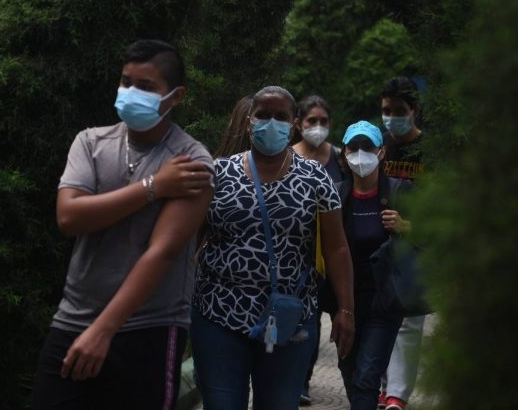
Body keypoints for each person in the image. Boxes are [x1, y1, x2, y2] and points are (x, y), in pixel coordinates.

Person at [32, 40, 214, 410]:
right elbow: (70, 217)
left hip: (150, 329)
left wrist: (105, 329)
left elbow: (161, 252)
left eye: (146, 87)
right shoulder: (91, 142)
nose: (131, 93)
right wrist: (154, 188)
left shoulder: (192, 161)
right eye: (126, 82)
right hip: (74, 318)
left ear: (176, 96)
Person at [191, 86, 355, 410]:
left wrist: (346, 309)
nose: (271, 123)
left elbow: (337, 249)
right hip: (217, 312)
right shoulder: (218, 173)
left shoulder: (316, 178)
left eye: (280, 116)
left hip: (289, 318)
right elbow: (191, 238)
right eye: (263, 115)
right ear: (249, 121)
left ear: (294, 123)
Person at [331, 120, 411, 410]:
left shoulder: (402, 191)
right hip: (346, 302)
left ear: (381, 152)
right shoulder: (336, 196)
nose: (361, 154)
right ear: (344, 154)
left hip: (384, 301)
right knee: (350, 372)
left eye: (368, 147)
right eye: (354, 147)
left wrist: (407, 227)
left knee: (367, 376)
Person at [291, 94, 345, 405]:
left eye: (324, 121)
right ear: (298, 124)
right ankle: (301, 381)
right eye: (312, 121)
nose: (318, 127)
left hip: (333, 255)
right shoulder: (285, 158)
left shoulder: (340, 159)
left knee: (336, 316)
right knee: (305, 324)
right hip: (299, 257)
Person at [378, 76, 427, 410]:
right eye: (386, 110)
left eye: (399, 110)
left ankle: (397, 395)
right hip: (378, 246)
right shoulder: (378, 146)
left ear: (414, 111)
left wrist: (411, 226)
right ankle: (384, 387)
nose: (392, 116)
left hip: (417, 247)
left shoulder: (431, 151)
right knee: (380, 316)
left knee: (409, 320)